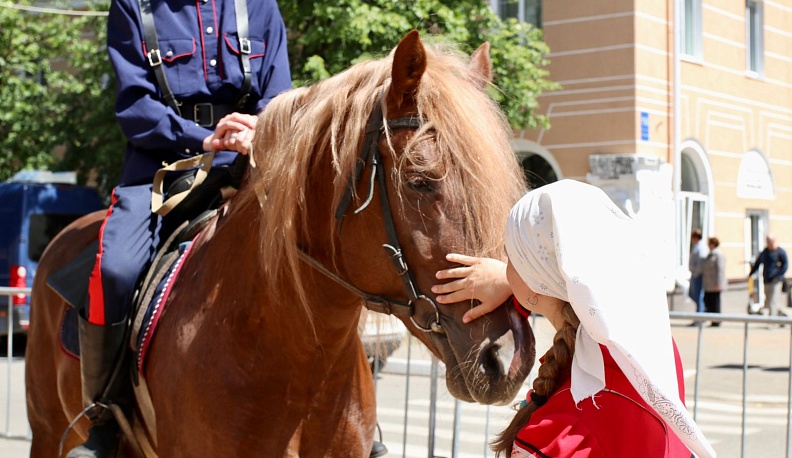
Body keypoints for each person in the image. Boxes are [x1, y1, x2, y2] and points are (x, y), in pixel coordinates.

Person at [67, 1, 292, 457]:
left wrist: (257, 128)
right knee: (117, 269)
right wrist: (202, 138)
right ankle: (105, 418)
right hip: (162, 168)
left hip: (251, 162)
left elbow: (280, 92)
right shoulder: (134, 7)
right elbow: (134, 103)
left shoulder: (260, 5)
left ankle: (351, 415)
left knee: (320, 243)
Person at [431, 180, 715, 458]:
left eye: (511, 257)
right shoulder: (649, 345)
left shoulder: (556, 436)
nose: (505, 268)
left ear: (534, 285)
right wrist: (514, 285)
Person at [749, 234, 789, 317]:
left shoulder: (780, 252)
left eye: (770, 241)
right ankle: (782, 316)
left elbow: (785, 265)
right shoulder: (765, 252)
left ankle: (772, 321)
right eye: (767, 241)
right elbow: (758, 263)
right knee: (768, 301)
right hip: (767, 279)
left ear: (774, 241)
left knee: (773, 301)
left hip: (776, 280)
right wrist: (751, 273)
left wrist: (778, 275)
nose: (768, 243)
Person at [702, 237, 726, 327]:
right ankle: (712, 320)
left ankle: (716, 321)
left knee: (715, 303)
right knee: (708, 301)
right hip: (709, 284)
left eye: (709, 243)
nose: (708, 245)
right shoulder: (710, 254)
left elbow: (720, 270)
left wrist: (718, 283)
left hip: (715, 284)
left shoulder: (718, 254)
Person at [689, 228, 708, 313]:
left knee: (698, 296)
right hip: (695, 274)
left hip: (698, 275)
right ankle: (701, 312)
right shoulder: (697, 246)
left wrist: (696, 272)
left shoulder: (701, 247)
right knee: (693, 295)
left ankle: (700, 315)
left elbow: (701, 263)